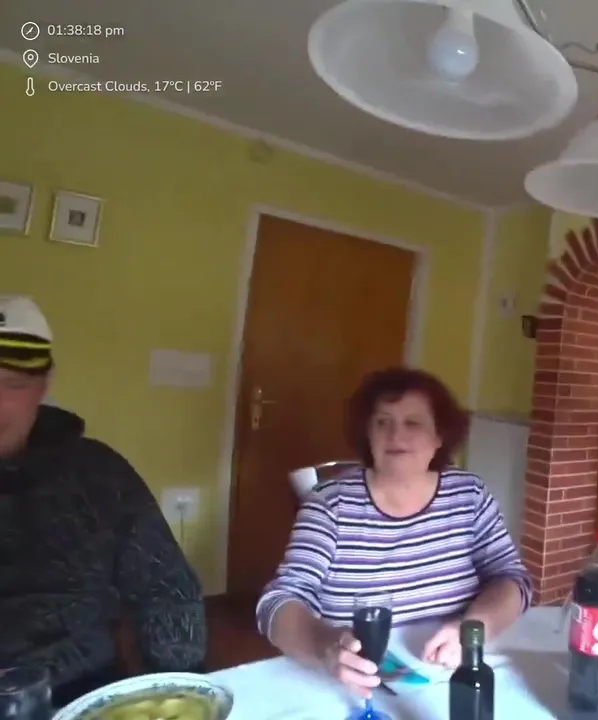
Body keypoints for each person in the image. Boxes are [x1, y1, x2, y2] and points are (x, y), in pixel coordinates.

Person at [257, 367, 532, 698]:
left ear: (439, 437)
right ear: (367, 435)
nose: (395, 435)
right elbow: (277, 602)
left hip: (453, 678)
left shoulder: (468, 494)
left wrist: (474, 629)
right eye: (382, 422)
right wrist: (325, 645)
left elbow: (511, 578)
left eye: (412, 423)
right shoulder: (330, 504)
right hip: (351, 686)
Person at [0, 295, 207, 705]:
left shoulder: (99, 474)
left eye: (14, 384)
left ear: (45, 384)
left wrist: (176, 697)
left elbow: (167, 589)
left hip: (81, 692)